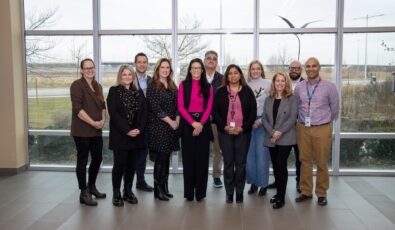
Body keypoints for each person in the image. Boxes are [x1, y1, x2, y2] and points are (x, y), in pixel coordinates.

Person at [294, 57, 339, 206]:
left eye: (314, 66)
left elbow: (335, 110)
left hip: (322, 128)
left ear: (319, 68)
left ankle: (321, 193)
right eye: (308, 66)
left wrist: (323, 122)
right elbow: (297, 107)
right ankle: (306, 191)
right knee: (304, 161)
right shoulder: (299, 87)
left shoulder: (329, 87)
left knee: (321, 162)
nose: (311, 69)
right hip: (302, 129)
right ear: (305, 69)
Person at [212, 64, 256, 203]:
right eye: (230, 73)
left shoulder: (248, 91)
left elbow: (252, 113)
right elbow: (215, 113)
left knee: (241, 163)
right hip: (225, 133)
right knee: (229, 162)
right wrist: (224, 127)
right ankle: (229, 193)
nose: (233, 75)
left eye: (235, 73)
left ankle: (239, 192)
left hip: (243, 133)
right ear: (227, 76)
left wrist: (242, 128)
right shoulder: (220, 92)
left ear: (240, 75)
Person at [107, 65, 146, 206]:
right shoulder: (114, 91)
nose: (127, 77)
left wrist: (139, 129)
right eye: (124, 74)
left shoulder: (138, 92)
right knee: (119, 164)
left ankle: (128, 191)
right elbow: (114, 113)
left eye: (130, 74)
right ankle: (116, 192)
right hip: (120, 135)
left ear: (133, 76)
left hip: (136, 135)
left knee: (131, 165)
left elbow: (144, 113)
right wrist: (127, 130)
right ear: (120, 76)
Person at [70, 58, 106, 206]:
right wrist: (93, 123)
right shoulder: (77, 85)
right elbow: (78, 110)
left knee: (97, 159)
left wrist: (102, 121)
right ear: (81, 70)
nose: (90, 70)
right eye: (87, 68)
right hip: (82, 131)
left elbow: (103, 106)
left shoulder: (98, 86)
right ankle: (83, 192)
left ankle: (92, 186)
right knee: (82, 161)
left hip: (97, 130)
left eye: (92, 67)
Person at [178, 58, 213, 201]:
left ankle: (200, 193)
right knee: (188, 159)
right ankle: (189, 193)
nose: (196, 70)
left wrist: (201, 124)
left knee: (202, 160)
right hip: (188, 124)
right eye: (194, 68)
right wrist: (194, 123)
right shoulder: (183, 85)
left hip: (203, 124)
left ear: (202, 70)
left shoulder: (208, 86)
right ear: (190, 70)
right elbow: (180, 107)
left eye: (199, 68)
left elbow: (209, 107)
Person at [262, 72, 298, 209]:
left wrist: (279, 132)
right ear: (274, 82)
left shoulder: (292, 99)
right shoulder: (268, 99)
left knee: (281, 165)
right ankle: (278, 193)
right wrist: (272, 132)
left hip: (286, 137)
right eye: (277, 81)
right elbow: (264, 118)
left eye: (283, 81)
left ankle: (281, 197)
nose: (280, 83)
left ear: (286, 83)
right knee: (276, 166)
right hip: (271, 137)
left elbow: (292, 118)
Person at [146, 58, 180, 201]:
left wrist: (177, 120)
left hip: (172, 127)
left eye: (167, 67)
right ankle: (157, 190)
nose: (165, 70)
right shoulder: (153, 85)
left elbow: (179, 104)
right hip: (159, 127)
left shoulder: (172, 85)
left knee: (166, 158)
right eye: (162, 67)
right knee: (160, 159)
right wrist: (170, 121)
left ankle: (165, 187)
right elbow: (155, 108)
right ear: (157, 69)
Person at [245, 60, 271, 196]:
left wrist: (260, 120)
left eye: (258, 68)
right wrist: (250, 121)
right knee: (250, 156)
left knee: (262, 156)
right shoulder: (246, 85)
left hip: (263, 123)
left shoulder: (268, 84)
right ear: (249, 71)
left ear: (261, 70)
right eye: (253, 69)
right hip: (249, 124)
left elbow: (271, 106)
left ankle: (263, 184)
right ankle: (253, 183)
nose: (255, 71)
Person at [132, 52, 154, 192]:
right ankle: (125, 186)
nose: (141, 64)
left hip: (147, 124)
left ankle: (140, 181)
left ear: (147, 64)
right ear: (135, 64)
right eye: (139, 62)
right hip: (132, 124)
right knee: (129, 156)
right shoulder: (128, 78)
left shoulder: (151, 81)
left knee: (143, 155)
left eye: (144, 62)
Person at [204, 50, 224, 188]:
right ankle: (200, 175)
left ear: (217, 62)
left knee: (218, 150)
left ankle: (216, 176)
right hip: (200, 121)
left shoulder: (222, 79)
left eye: (214, 59)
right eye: (209, 58)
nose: (211, 60)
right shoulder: (197, 77)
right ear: (204, 61)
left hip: (217, 121)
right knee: (201, 150)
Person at [289, 60, 304, 193]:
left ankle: (300, 181)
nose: (294, 70)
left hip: (300, 127)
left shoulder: (306, 84)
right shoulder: (283, 82)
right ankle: (278, 180)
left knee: (300, 156)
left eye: (297, 68)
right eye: (292, 68)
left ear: (301, 70)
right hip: (284, 127)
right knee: (280, 158)